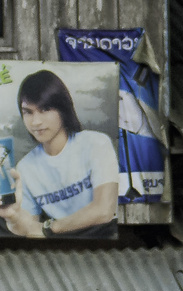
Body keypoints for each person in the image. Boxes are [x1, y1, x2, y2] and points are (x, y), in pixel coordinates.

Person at [0, 69, 119, 238]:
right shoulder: (25, 168)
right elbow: (30, 230)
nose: (36, 122)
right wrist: (13, 218)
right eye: (28, 112)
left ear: (63, 108)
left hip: (103, 236)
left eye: (45, 109)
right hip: (61, 244)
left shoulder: (96, 143)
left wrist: (49, 228)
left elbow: (104, 210)